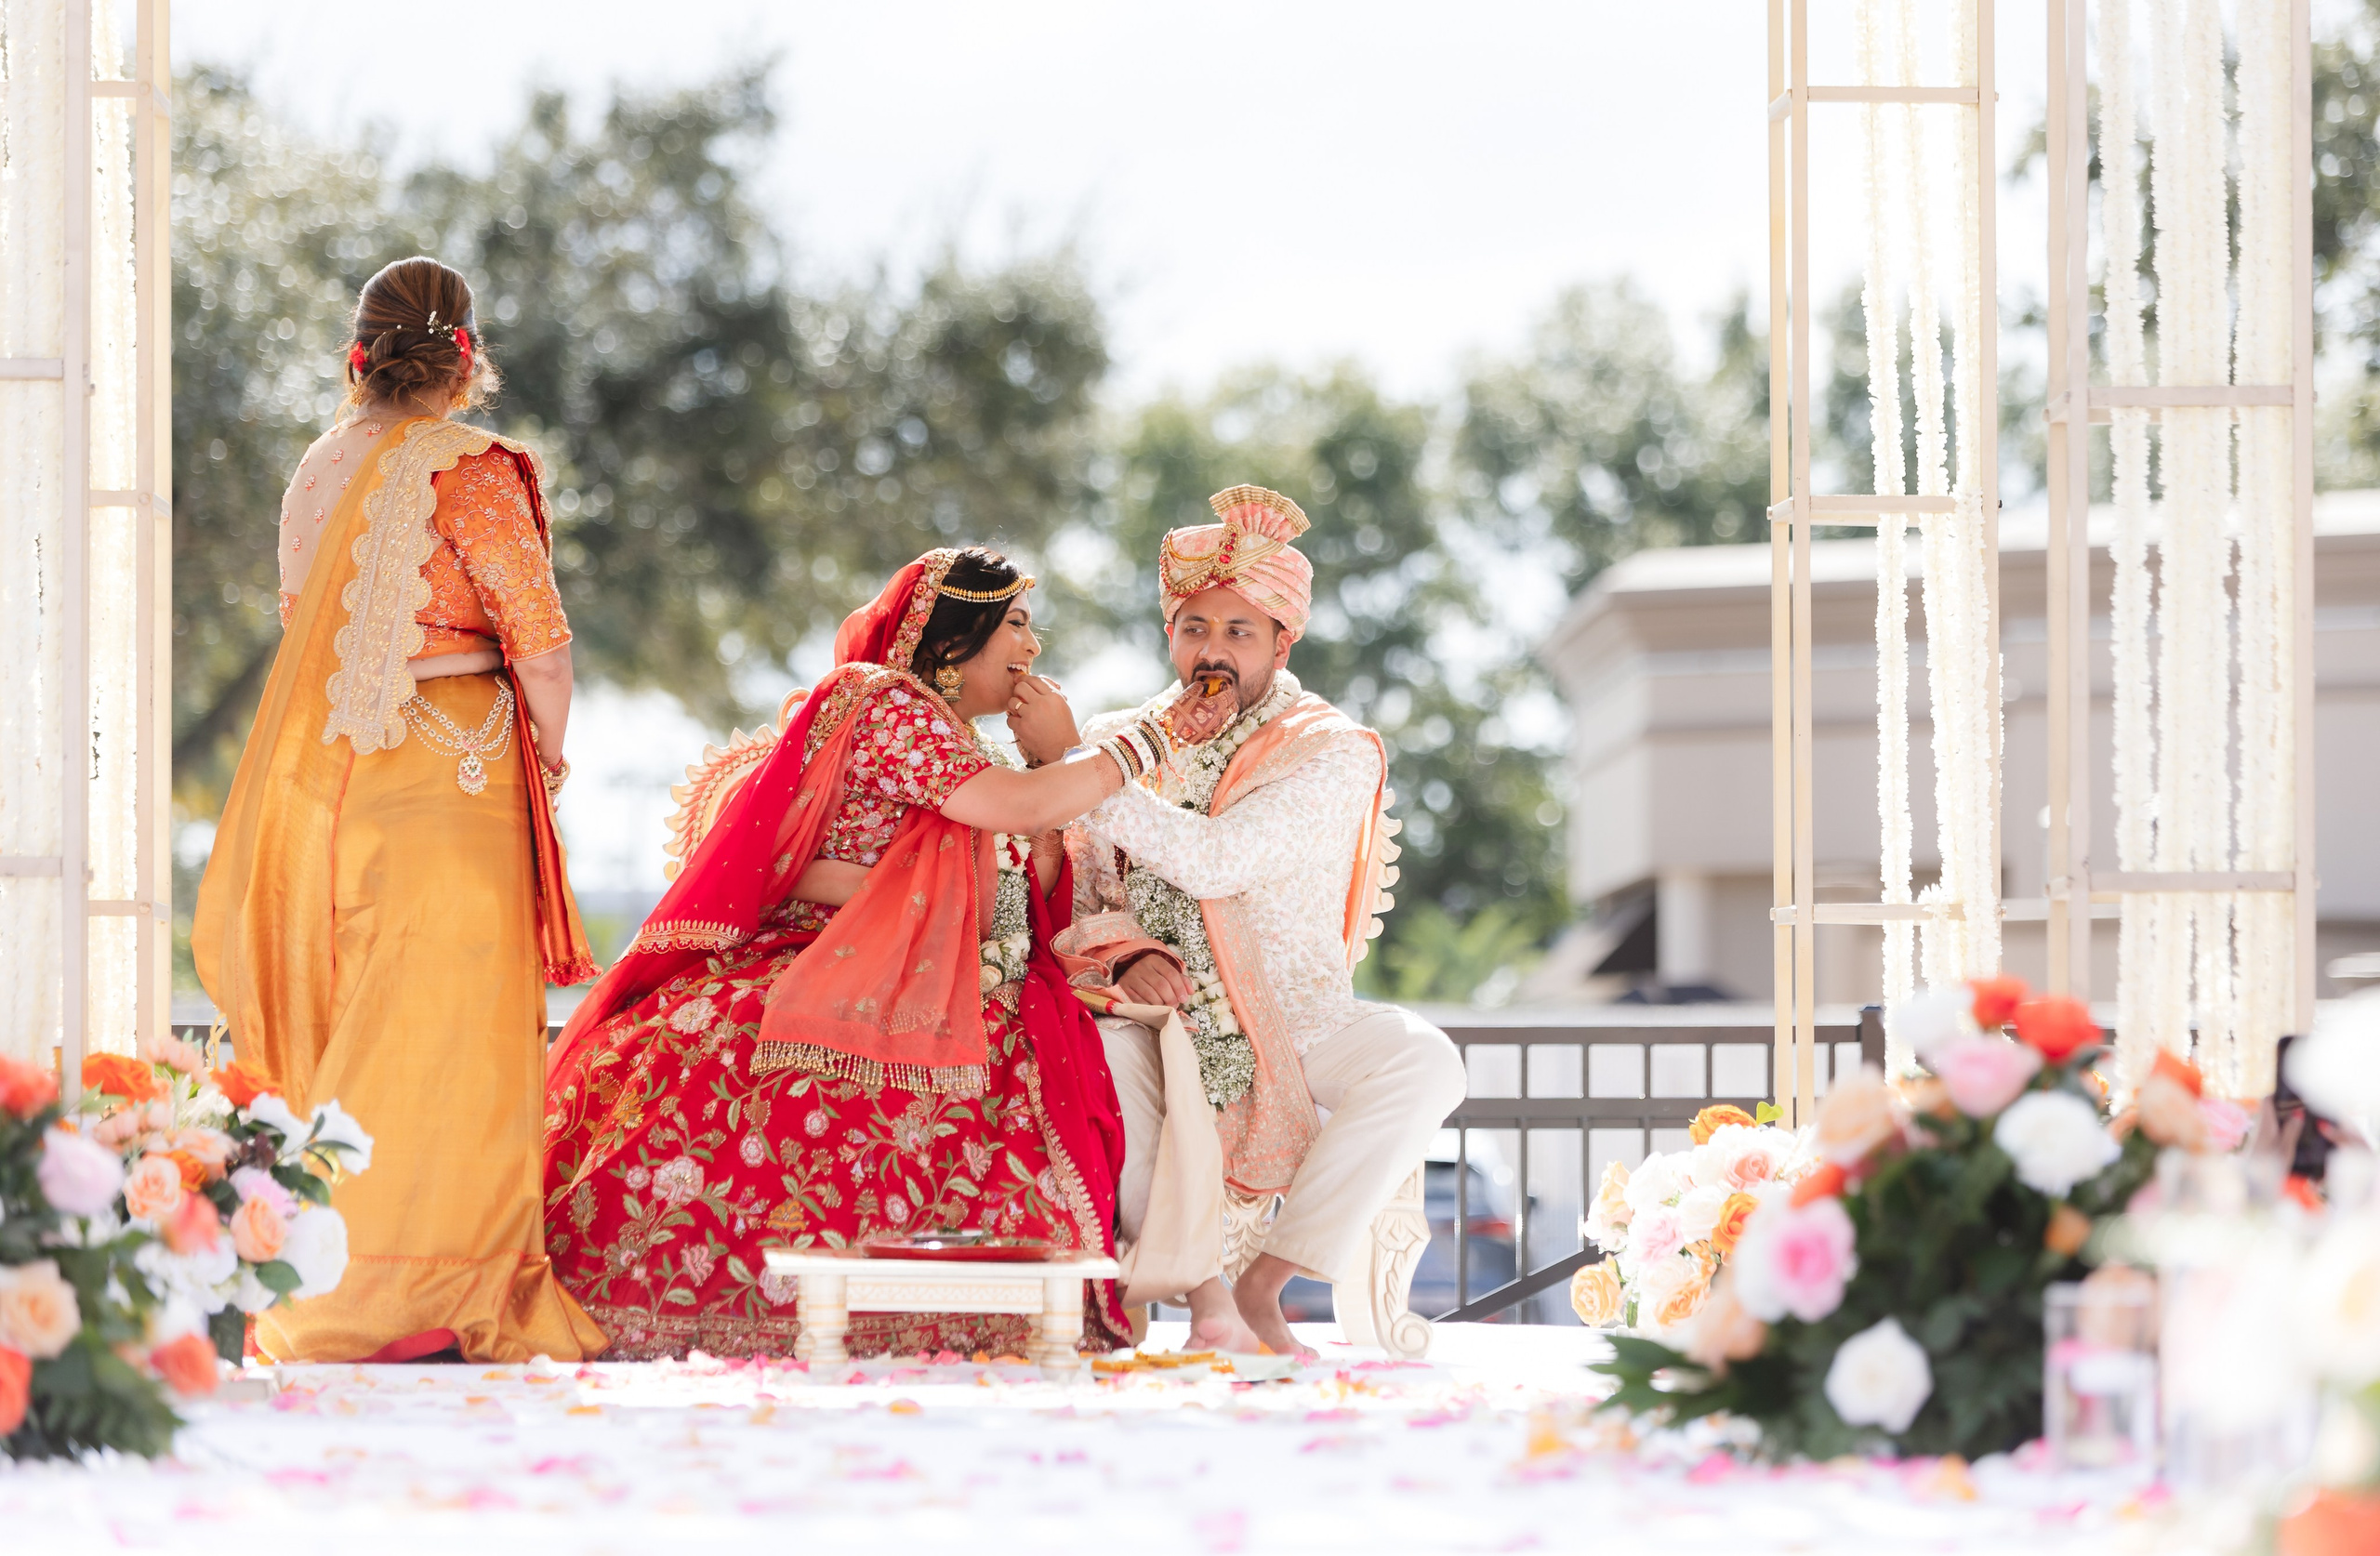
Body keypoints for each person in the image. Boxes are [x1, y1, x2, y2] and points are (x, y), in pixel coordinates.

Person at [542, 547, 1153, 1360]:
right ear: (948, 640)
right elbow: (1018, 809)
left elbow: (1027, 875)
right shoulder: (885, 702)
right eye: (1015, 625)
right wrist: (1132, 749)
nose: (1031, 650)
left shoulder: (960, 748)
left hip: (928, 978)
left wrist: (1052, 763)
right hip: (828, 967)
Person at [194, 257, 604, 1364]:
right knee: (451, 1037)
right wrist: (549, 758)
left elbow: (301, 629)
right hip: (454, 773)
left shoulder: (318, 469)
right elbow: (545, 648)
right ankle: (432, 1294)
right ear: (465, 357)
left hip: (340, 788)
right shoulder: (473, 465)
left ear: (358, 355)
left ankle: (328, 1288)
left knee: (359, 1022)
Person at [1050, 484, 1469, 1359]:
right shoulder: (1124, 736)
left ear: (1285, 641)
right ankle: (1177, 1303)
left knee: (1422, 1060)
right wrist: (1125, 961)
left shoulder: (1330, 749)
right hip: (1160, 1010)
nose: (1213, 652)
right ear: (1170, 633)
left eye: (1240, 632)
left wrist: (1077, 769)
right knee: (1103, 1063)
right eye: (1195, 627)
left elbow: (1217, 860)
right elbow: (1087, 900)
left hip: (1296, 1017)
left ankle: (1265, 1282)